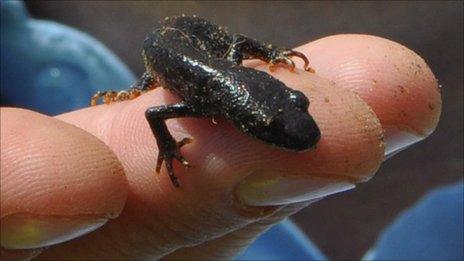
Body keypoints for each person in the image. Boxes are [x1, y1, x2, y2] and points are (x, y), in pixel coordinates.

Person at [1, 1, 445, 260]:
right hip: (168, 48)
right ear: (240, 117)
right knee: (154, 84)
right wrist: (168, 150)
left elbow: (237, 50)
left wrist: (266, 53)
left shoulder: (226, 87)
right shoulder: (209, 99)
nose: (299, 127)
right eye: (269, 129)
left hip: (195, 46)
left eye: (297, 103)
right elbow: (155, 117)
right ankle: (142, 83)